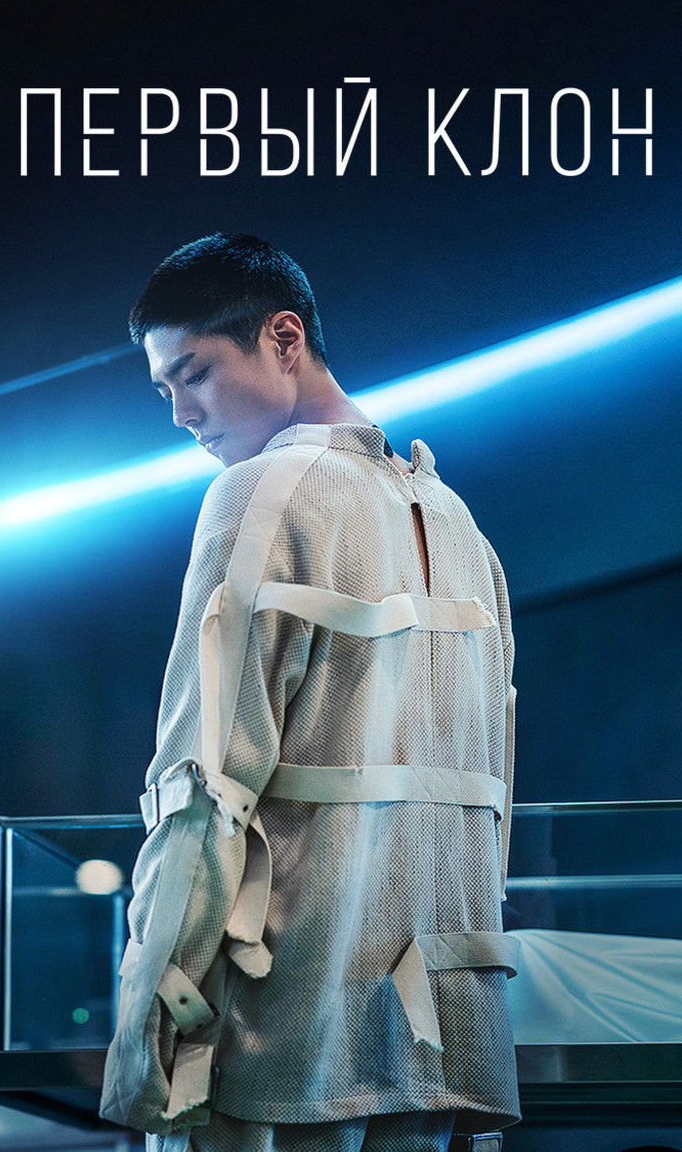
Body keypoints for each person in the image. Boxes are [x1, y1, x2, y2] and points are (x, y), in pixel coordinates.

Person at [100, 233, 520, 1152]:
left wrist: (149, 1029)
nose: (180, 414)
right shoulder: (460, 525)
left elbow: (203, 788)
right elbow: (491, 802)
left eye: (195, 374)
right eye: (165, 390)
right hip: (445, 1043)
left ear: (283, 338)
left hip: (280, 1043)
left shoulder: (260, 494)